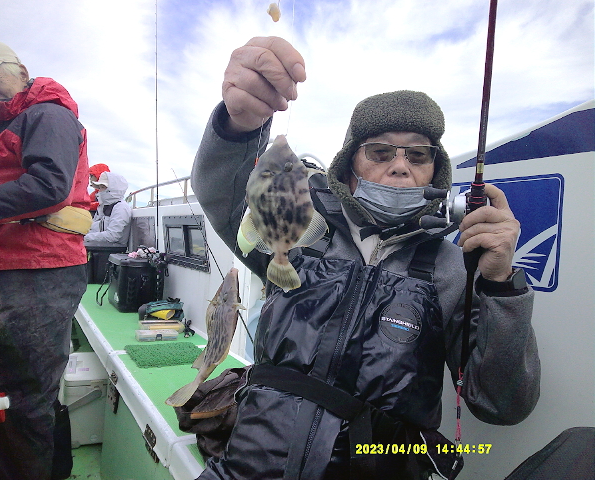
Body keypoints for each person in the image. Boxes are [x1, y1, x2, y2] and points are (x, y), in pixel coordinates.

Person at [190, 37, 541, 480]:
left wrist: (500, 285)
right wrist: (239, 126)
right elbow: (221, 195)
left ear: (435, 172)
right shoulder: (299, 230)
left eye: (419, 155)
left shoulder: (451, 267)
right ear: (349, 167)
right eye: (380, 152)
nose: (400, 166)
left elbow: (502, 404)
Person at [0, 39, 90, 480]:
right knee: (26, 391)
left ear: (21, 70)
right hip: (15, 267)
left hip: (41, 270)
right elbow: (2, 208)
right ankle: (54, 469)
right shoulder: (2, 124)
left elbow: (48, 186)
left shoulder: (47, 114)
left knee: (24, 398)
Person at [84, 171, 132, 247]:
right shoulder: (104, 206)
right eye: (99, 187)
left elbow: (113, 236)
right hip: (99, 246)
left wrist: (84, 237)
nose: (99, 191)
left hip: (110, 249)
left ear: (113, 189)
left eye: (103, 187)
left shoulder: (121, 208)